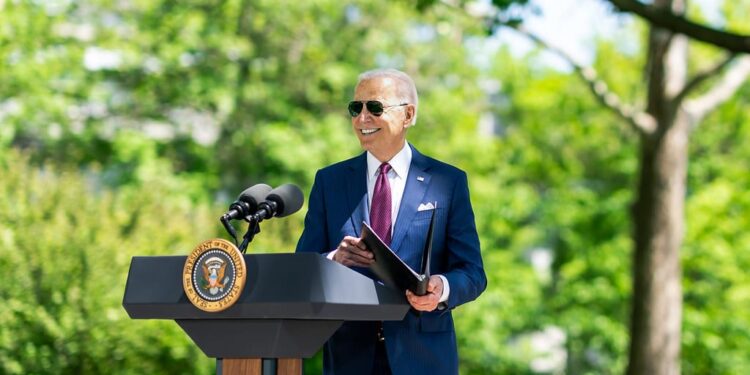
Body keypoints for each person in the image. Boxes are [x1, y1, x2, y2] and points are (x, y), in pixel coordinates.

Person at [296, 68, 486, 375]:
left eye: (374, 108)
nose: (362, 118)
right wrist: (334, 259)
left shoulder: (448, 182)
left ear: (408, 115)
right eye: (355, 108)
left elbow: (473, 273)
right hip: (348, 358)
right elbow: (302, 268)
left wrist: (442, 288)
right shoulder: (329, 182)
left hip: (424, 358)